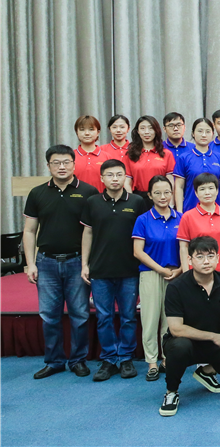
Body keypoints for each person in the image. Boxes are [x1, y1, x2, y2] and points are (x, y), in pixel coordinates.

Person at [22, 145, 99, 380]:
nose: (62, 167)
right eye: (56, 162)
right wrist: (30, 263)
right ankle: (54, 361)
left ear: (74, 164)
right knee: (49, 315)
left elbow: (92, 231)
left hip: (77, 262)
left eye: (66, 162)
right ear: (48, 166)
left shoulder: (88, 192)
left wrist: (88, 263)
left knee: (80, 314)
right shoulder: (37, 193)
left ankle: (78, 360)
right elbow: (29, 231)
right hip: (46, 262)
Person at [159, 236, 220, 417]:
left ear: (218, 258)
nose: (206, 261)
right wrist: (212, 336)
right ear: (190, 259)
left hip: (213, 345)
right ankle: (171, 392)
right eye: (200, 256)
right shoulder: (176, 287)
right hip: (185, 343)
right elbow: (176, 329)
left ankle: (207, 371)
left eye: (210, 256)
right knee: (180, 346)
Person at [81, 159, 146, 381]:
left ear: (125, 177)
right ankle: (109, 359)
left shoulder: (137, 201)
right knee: (104, 317)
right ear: (102, 178)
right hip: (100, 270)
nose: (115, 179)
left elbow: (144, 234)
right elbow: (87, 233)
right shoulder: (92, 202)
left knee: (128, 316)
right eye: (110, 175)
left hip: (129, 270)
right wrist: (85, 264)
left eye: (119, 174)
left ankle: (126, 357)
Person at [132, 176, 183, 382]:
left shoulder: (181, 218)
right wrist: (161, 270)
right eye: (158, 193)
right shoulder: (143, 220)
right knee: (150, 318)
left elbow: (186, 249)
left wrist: (180, 270)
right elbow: (138, 251)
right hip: (151, 273)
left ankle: (166, 358)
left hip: (176, 276)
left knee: (170, 320)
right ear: (150, 195)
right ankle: (152, 362)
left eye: (167, 192)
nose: (163, 197)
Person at [177, 174, 220, 274]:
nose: (207, 192)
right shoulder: (188, 216)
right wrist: (186, 273)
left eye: (211, 188)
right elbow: (183, 247)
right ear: (196, 193)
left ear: (217, 191)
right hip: (197, 272)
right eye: (202, 189)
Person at [172, 118, 220, 212]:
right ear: (193, 133)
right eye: (200, 131)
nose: (204, 135)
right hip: (191, 209)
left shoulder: (219, 157)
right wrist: (179, 212)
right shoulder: (184, 158)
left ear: (212, 134)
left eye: (208, 131)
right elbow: (179, 187)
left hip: (216, 210)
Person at [124, 116, 175, 198]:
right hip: (138, 197)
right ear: (137, 131)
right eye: (142, 128)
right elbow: (127, 181)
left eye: (151, 128)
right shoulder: (130, 154)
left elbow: (170, 180)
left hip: (161, 197)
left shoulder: (166, 154)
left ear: (156, 131)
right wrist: (131, 200)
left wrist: (171, 202)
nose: (147, 132)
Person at [73, 115, 107, 191]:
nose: (87, 133)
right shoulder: (70, 157)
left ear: (98, 132)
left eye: (91, 129)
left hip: (101, 197)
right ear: (77, 132)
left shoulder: (107, 157)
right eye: (82, 130)